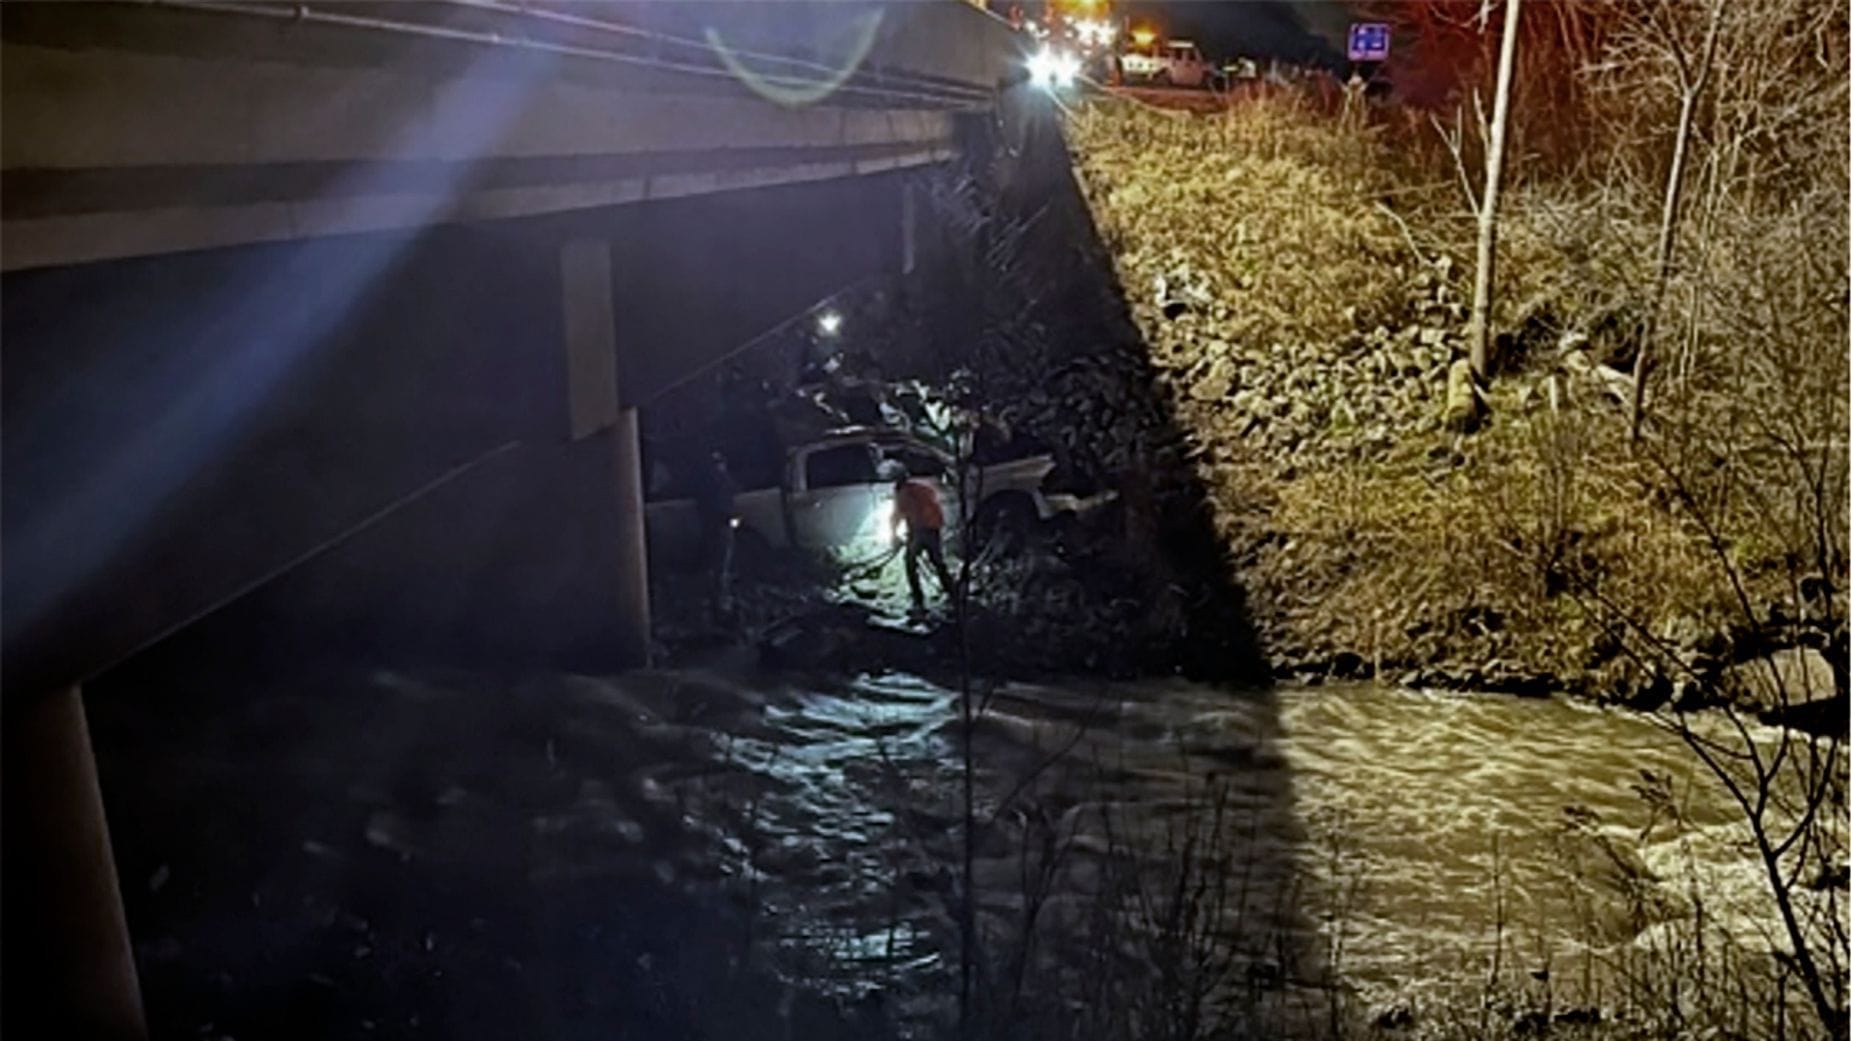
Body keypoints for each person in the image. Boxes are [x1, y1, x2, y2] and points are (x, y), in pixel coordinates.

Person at [889, 464, 954, 615]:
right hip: (933, 529)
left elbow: (897, 514)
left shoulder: (902, 492)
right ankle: (952, 593)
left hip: (920, 531)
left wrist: (894, 535)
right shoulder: (923, 488)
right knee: (938, 562)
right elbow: (934, 507)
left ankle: (918, 600)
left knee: (910, 564)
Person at [695, 451, 738, 616]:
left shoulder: (707, 483)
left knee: (716, 565)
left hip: (713, 526)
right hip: (721, 526)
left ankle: (716, 600)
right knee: (721, 566)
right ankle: (721, 602)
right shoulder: (720, 481)